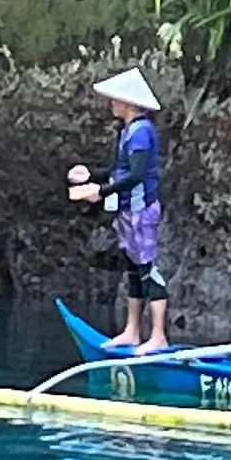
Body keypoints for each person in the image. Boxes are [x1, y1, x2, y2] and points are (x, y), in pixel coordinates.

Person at [67, 65, 169, 353]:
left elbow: (136, 175)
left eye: (116, 99)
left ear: (129, 103)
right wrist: (91, 176)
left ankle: (158, 335)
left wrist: (100, 192)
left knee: (148, 270)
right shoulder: (127, 132)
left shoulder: (141, 133)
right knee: (133, 270)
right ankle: (132, 331)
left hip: (141, 210)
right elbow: (119, 171)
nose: (112, 104)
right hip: (126, 210)